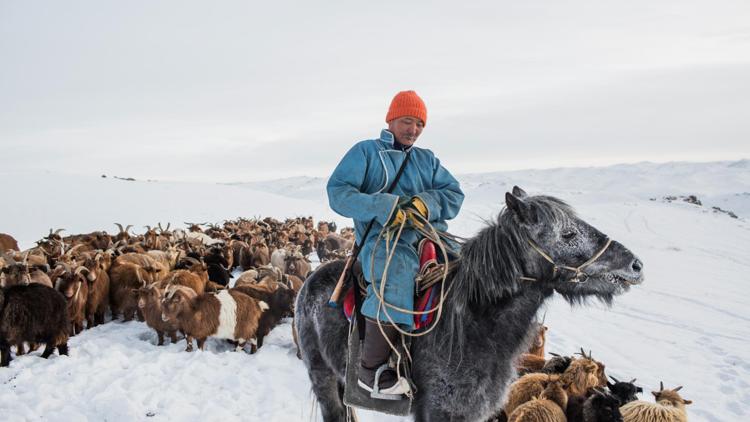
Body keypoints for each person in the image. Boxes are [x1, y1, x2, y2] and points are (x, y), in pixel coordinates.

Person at [327, 90, 464, 398]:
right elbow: (338, 192)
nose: (413, 130)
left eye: (419, 124)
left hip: (430, 234)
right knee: (397, 271)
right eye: (406, 121)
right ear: (391, 120)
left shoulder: (427, 160)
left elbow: (454, 195)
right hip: (383, 237)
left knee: (469, 268)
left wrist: (424, 204)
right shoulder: (365, 153)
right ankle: (371, 369)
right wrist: (383, 206)